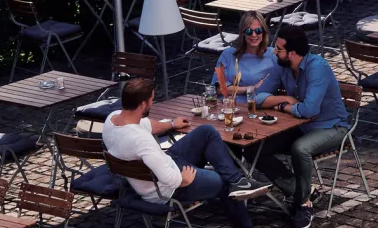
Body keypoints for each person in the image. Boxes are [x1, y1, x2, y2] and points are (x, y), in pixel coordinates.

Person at [101, 77, 268, 228]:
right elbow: (169, 179)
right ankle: (243, 220)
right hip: (165, 190)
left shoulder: (113, 119)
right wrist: (184, 178)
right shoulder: (140, 140)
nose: (153, 102)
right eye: (152, 99)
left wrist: (172, 124)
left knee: (207, 131)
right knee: (223, 182)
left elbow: (149, 125)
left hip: (163, 166)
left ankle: (238, 180)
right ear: (143, 104)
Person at [251, 24, 352, 227]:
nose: (274, 51)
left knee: (301, 149)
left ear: (294, 53)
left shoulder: (318, 67)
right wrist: (286, 99)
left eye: (279, 49)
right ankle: (301, 192)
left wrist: (283, 106)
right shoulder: (282, 65)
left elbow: (309, 110)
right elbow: (258, 96)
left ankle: (303, 205)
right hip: (302, 127)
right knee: (254, 148)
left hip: (333, 127)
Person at [213, 11, 276, 105]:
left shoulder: (272, 55)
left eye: (258, 31)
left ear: (264, 32)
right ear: (242, 33)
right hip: (226, 108)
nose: (254, 35)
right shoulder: (227, 54)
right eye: (249, 31)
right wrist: (249, 89)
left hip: (254, 108)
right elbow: (218, 88)